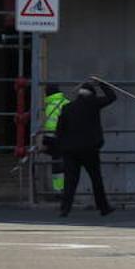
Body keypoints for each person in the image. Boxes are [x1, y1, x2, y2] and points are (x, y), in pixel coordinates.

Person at [56, 78, 117, 217]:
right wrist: (102, 83)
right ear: (91, 94)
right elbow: (112, 97)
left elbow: (59, 130)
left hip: (70, 150)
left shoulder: (67, 107)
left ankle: (65, 209)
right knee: (96, 179)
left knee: (70, 181)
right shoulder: (93, 103)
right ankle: (103, 207)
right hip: (90, 148)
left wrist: (61, 147)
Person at [40, 84, 70, 193]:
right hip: (65, 138)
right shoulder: (66, 102)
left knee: (57, 165)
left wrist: (45, 141)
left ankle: (59, 190)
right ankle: (64, 189)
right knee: (65, 164)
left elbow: (50, 125)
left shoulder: (50, 105)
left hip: (53, 139)